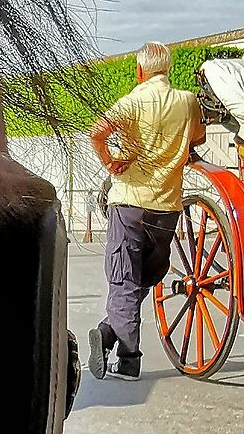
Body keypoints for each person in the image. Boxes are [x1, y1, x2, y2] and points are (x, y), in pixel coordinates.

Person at [85, 41, 204, 380]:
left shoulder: (133, 101)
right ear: (167, 68)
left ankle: (128, 358)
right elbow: (198, 137)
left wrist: (111, 162)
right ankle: (109, 334)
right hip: (168, 206)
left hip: (130, 201)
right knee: (145, 277)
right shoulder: (187, 102)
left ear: (139, 71)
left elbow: (97, 133)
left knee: (124, 278)